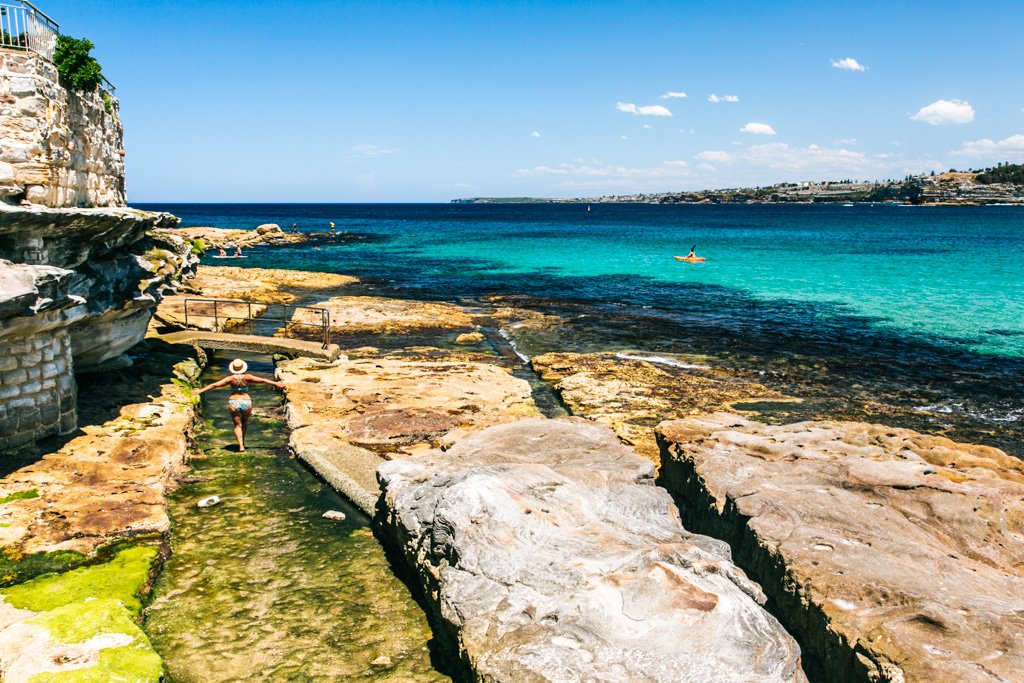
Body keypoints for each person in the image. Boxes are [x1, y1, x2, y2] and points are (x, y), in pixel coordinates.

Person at [194, 359, 285, 452]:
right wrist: (276, 383)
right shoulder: (248, 377)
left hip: (234, 402)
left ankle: (240, 446)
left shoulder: (230, 379)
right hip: (246, 402)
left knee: (237, 425)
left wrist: (200, 391)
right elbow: (263, 380)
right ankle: (243, 443)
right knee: (244, 423)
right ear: (243, 368)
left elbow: (214, 385)